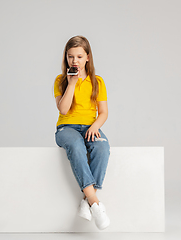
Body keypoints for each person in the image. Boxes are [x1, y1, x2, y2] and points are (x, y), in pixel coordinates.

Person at [53, 35, 110, 230]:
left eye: (78, 56)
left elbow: (103, 112)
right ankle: (95, 203)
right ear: (66, 58)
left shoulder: (98, 82)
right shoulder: (60, 80)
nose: (74, 61)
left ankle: (86, 201)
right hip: (66, 128)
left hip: (90, 127)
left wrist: (95, 126)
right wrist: (71, 83)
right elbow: (63, 110)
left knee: (102, 147)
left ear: (87, 57)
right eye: (70, 57)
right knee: (76, 147)